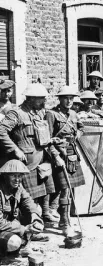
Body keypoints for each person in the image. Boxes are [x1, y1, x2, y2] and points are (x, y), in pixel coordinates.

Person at [0, 83, 57, 225]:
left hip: (40, 160)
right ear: (30, 99)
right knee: (26, 197)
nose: (43, 102)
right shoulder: (16, 113)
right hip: (25, 165)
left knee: (41, 194)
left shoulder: (38, 113)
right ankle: (27, 229)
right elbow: (1, 131)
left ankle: (38, 222)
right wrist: (15, 149)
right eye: (40, 99)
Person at [45, 85, 85, 237]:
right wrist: (55, 156)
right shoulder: (52, 114)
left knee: (71, 188)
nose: (69, 101)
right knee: (64, 189)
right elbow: (47, 140)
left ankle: (65, 219)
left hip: (72, 154)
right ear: (60, 99)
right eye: (65, 98)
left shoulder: (74, 114)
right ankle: (65, 223)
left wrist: (78, 134)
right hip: (60, 155)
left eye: (71, 98)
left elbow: (81, 127)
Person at [0, 160, 45, 256]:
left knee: (36, 210)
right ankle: (12, 250)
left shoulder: (18, 187)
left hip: (10, 226)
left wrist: (35, 217)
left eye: (19, 175)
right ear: (5, 176)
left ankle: (24, 245)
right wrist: (24, 229)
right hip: (2, 228)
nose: (17, 179)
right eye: (13, 175)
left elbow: (28, 201)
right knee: (14, 242)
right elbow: (0, 224)